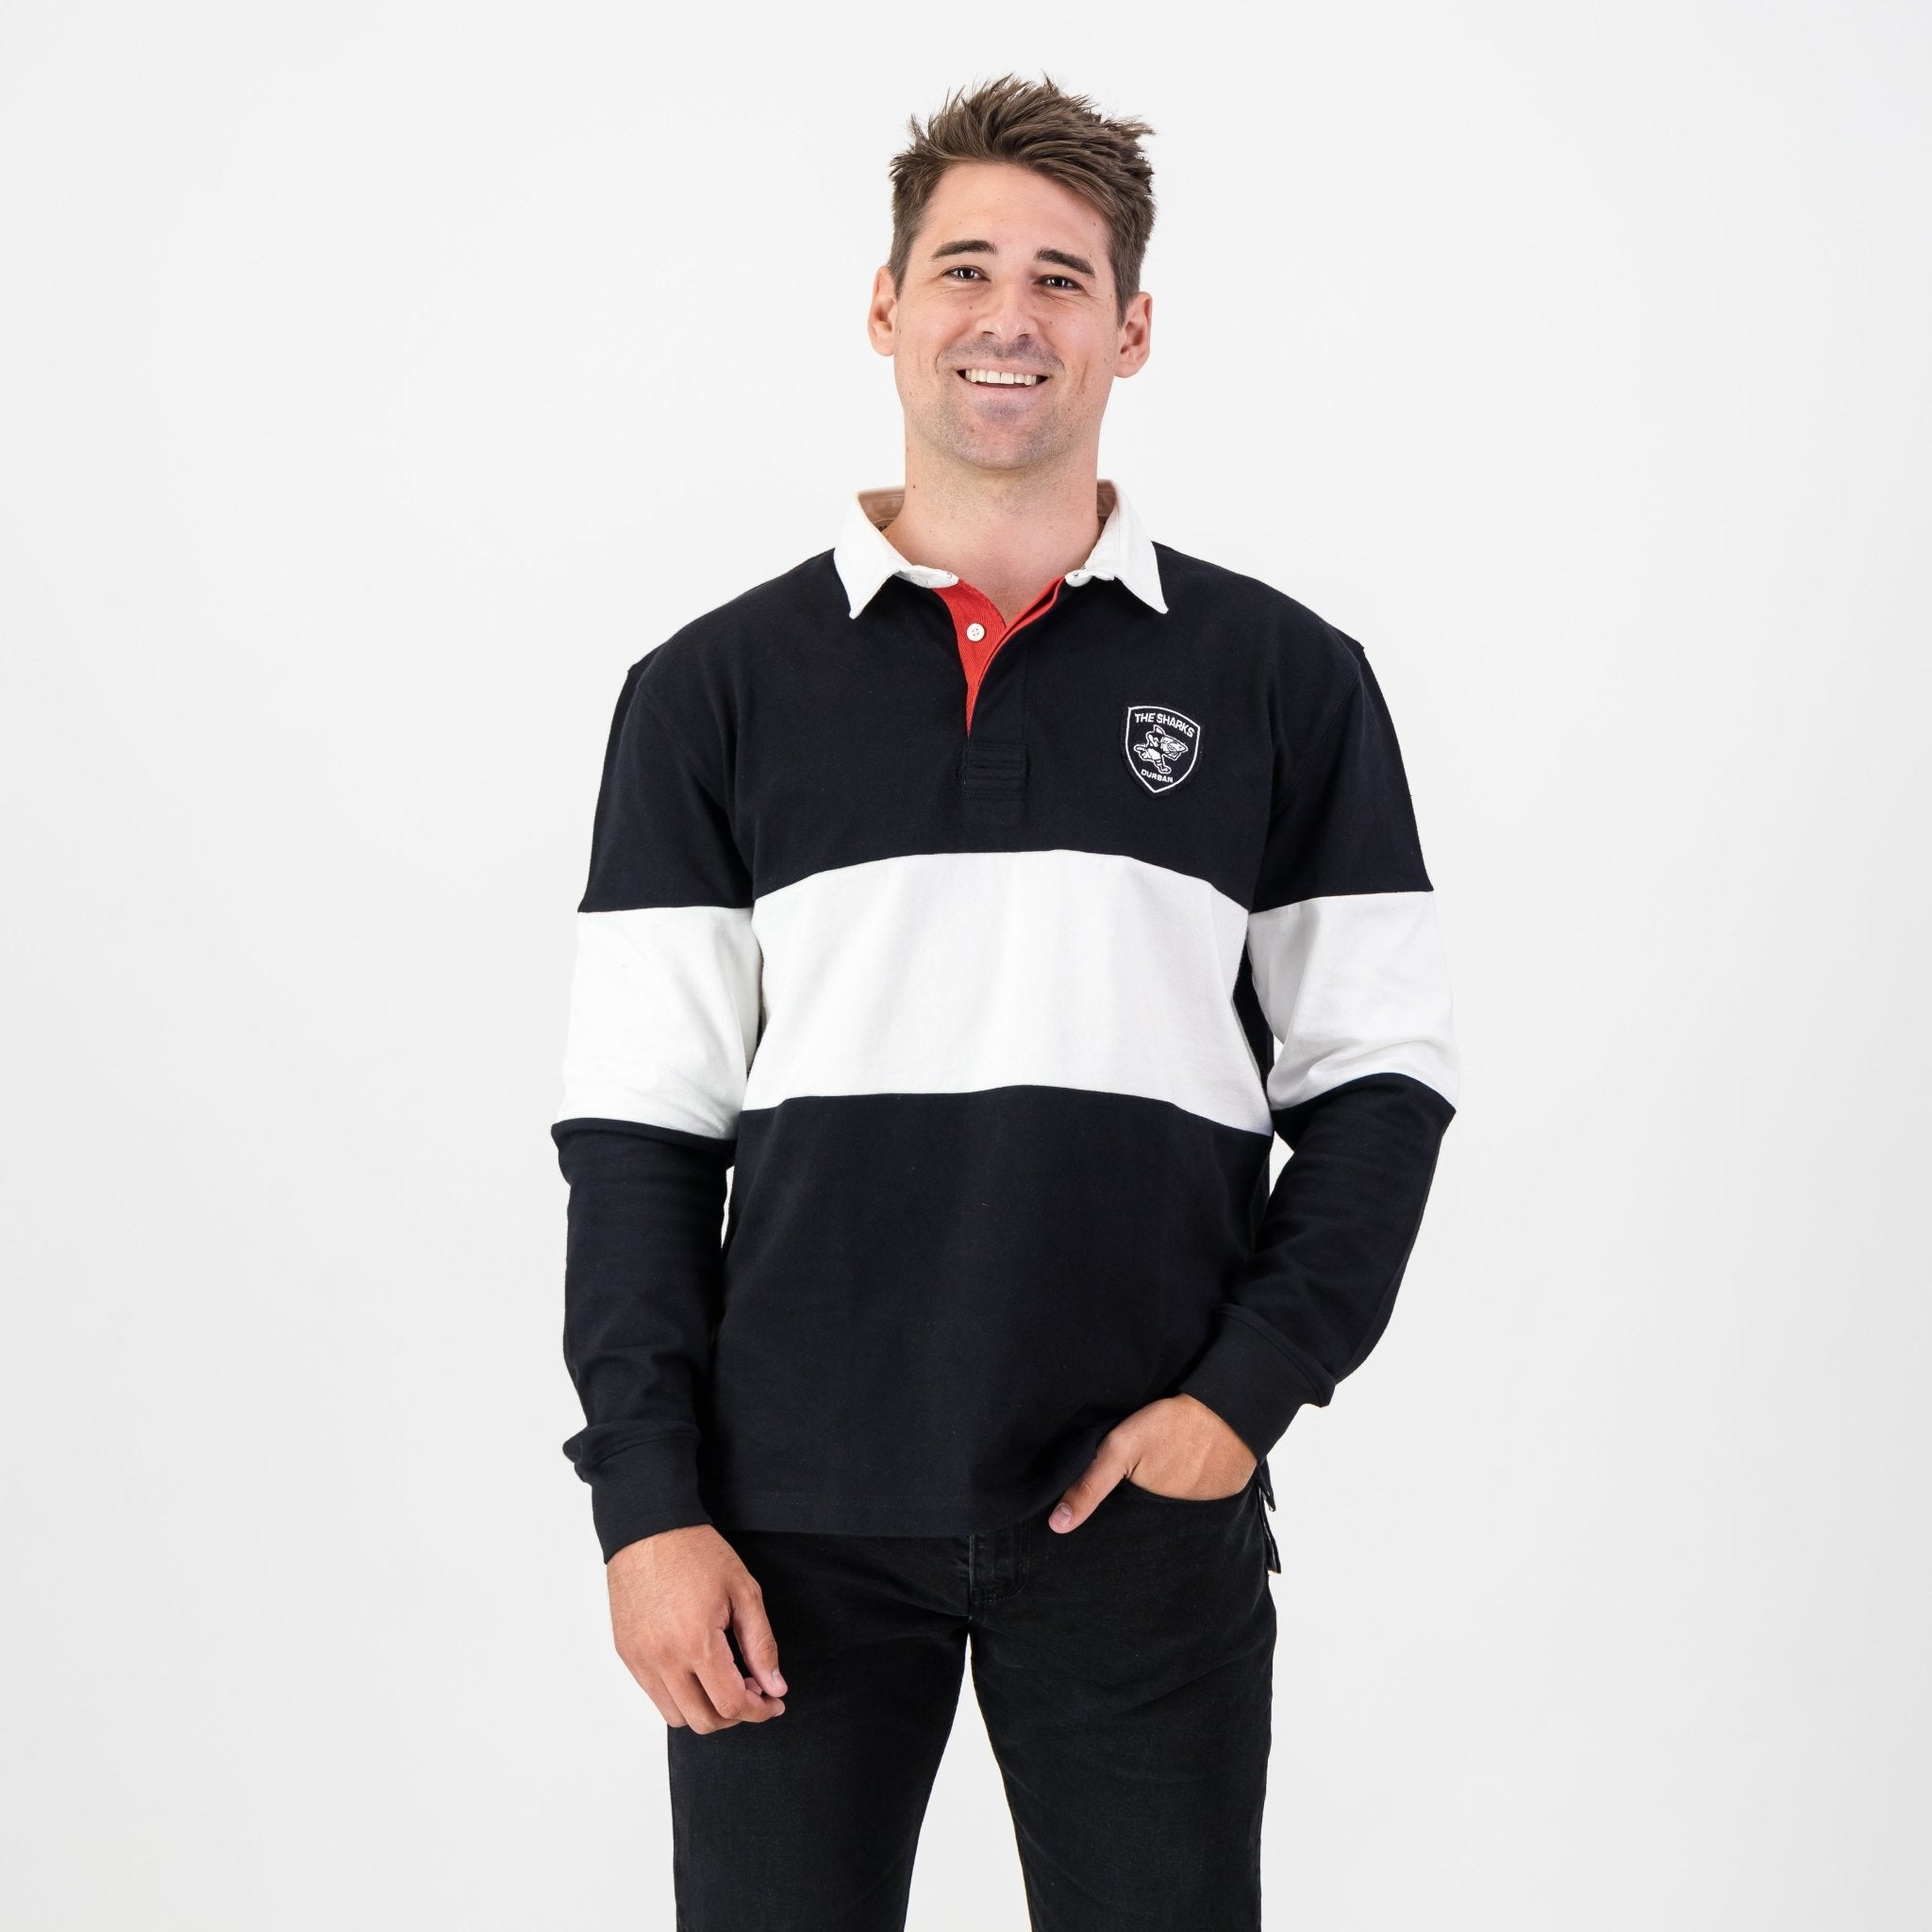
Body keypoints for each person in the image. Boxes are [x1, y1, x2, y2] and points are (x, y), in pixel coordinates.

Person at [549, 71, 1459, 1932]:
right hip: (784, 1520)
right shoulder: (710, 690)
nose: (1009, 316)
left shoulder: (1285, 679)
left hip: (1141, 1509)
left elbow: (1382, 1079)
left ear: (1132, 328)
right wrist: (646, 1504)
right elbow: (636, 1131)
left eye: (1061, 277)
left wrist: (1242, 1399)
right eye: (965, 268)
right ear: (887, 308)